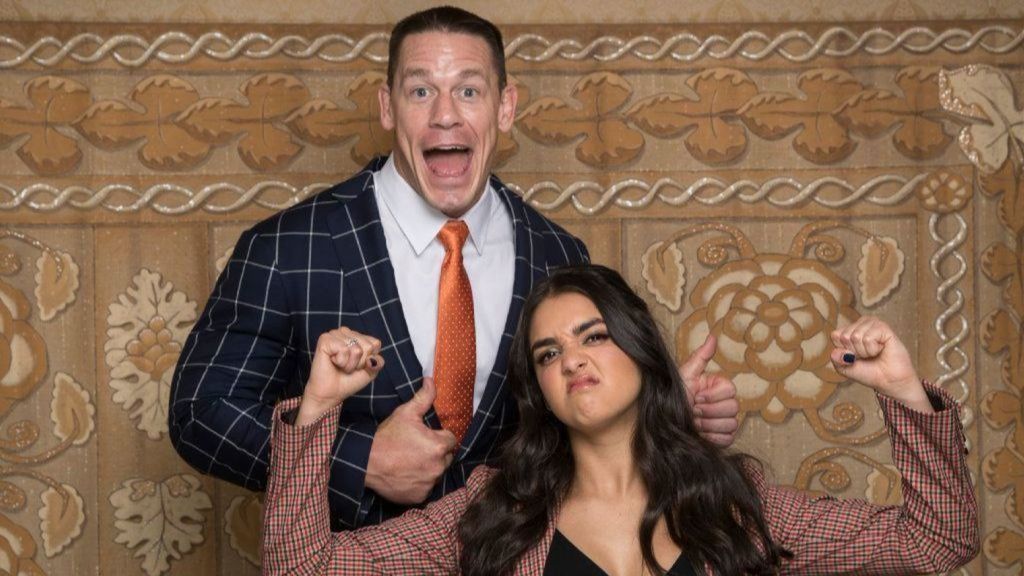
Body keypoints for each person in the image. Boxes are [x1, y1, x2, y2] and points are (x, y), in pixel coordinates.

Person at [168, 6, 738, 530]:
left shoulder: (557, 255)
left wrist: (659, 414)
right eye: (421, 91)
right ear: (387, 107)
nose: (445, 116)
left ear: (505, 106)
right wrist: (360, 460)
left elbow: (570, 435)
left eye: (469, 90)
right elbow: (200, 413)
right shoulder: (288, 247)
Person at [262, 265, 979, 575]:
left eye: (594, 336)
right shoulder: (494, 512)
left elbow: (937, 540)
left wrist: (903, 393)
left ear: (641, 351)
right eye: (549, 353)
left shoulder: (734, 506)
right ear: (540, 390)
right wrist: (318, 409)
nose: (572, 358)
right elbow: (301, 567)